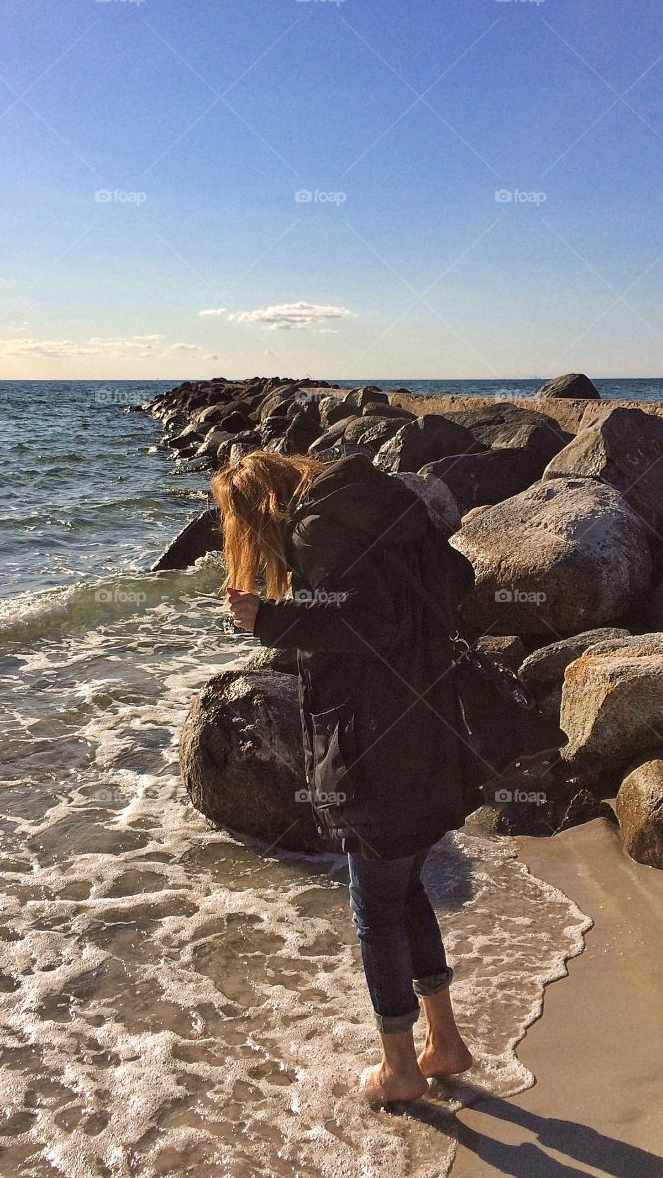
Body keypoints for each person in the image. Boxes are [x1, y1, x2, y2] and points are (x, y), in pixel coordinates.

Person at [211, 446, 476, 1104]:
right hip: (430, 724)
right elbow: (459, 578)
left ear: (261, 508)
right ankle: (443, 1042)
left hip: (374, 742)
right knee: (404, 889)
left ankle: (399, 1070)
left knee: (375, 911)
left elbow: (369, 621)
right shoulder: (390, 509)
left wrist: (270, 619)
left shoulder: (318, 529)